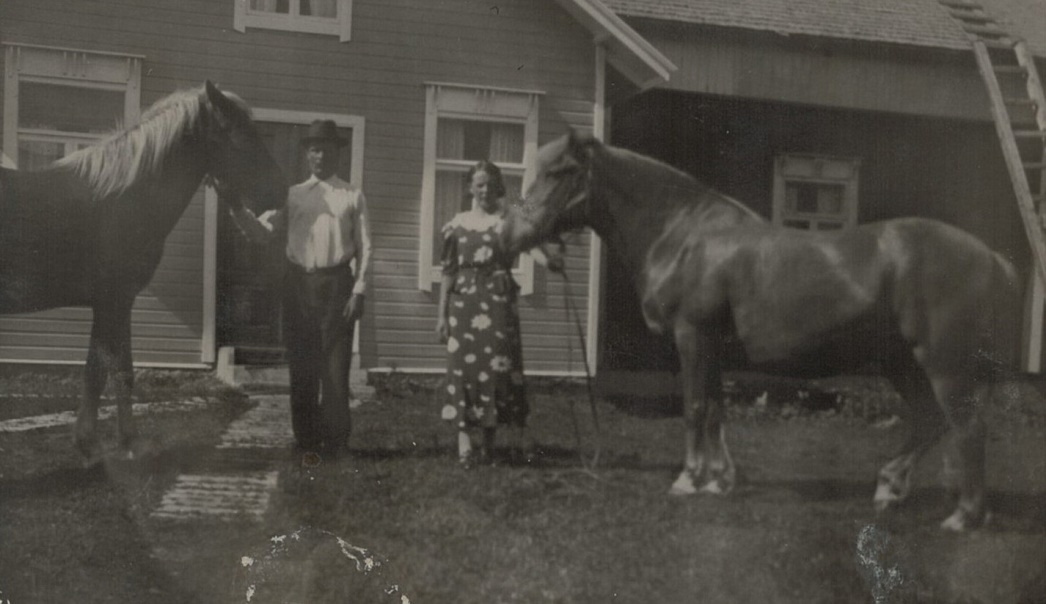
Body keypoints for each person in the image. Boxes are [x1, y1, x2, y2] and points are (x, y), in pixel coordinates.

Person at [230, 119, 371, 458]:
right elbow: (261, 232)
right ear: (307, 155)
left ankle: (337, 443)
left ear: (337, 154)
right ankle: (306, 440)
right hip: (298, 288)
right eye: (314, 150)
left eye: (326, 149)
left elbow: (366, 246)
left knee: (336, 371)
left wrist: (359, 290)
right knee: (303, 369)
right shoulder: (292, 195)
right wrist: (236, 207)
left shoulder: (352, 195)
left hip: (337, 286)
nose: (319, 156)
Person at [436, 160, 529, 467]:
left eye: (490, 184)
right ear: (469, 188)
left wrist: (512, 201)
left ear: (498, 187)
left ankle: (489, 444)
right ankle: (464, 444)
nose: (485, 190)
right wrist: (441, 315)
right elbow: (448, 271)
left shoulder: (508, 220)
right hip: (463, 303)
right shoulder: (457, 224)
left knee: (495, 371)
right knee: (462, 370)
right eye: (479, 184)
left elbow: (530, 223)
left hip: (498, 300)